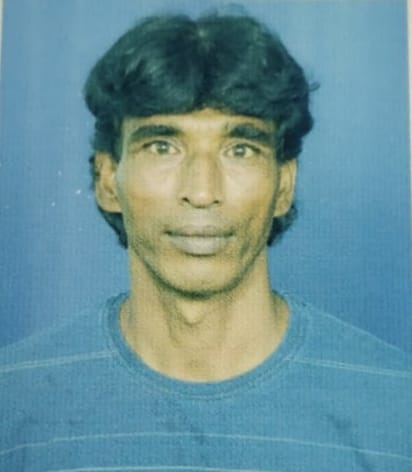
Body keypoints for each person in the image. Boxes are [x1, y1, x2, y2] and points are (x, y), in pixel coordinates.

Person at [1, 12, 411, 472]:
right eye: (162, 147)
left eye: (241, 149)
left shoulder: (396, 408)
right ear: (107, 179)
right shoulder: (12, 403)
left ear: (283, 185)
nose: (201, 191)